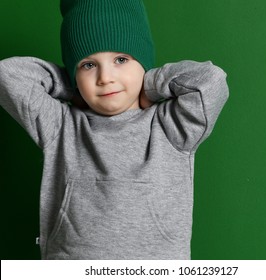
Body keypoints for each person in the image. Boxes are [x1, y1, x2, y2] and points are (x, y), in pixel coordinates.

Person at [0, 0, 228, 259]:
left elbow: (211, 81)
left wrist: (149, 84)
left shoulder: (172, 126)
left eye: (121, 59)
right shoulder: (60, 125)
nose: (105, 77)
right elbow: (7, 75)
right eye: (88, 65)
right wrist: (73, 89)